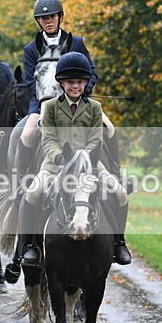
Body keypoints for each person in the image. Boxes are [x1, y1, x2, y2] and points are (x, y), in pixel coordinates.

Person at [18, 52, 131, 266]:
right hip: (55, 164)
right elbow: (48, 138)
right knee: (31, 194)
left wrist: (84, 160)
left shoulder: (95, 108)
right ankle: (30, 246)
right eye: (70, 82)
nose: (75, 87)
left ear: (86, 83)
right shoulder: (49, 107)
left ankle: (119, 242)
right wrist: (61, 157)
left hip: (91, 164)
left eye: (79, 82)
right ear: (61, 83)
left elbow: (96, 139)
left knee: (120, 192)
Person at [20, 0, 97, 150]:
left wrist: (82, 91)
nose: (48, 21)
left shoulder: (76, 43)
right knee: (26, 135)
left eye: (52, 17)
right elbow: (29, 81)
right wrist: (43, 100)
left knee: (109, 129)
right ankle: (22, 174)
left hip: (76, 99)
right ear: (38, 21)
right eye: (43, 18)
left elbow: (92, 71)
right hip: (42, 101)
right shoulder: (30, 49)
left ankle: (114, 170)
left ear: (60, 17)